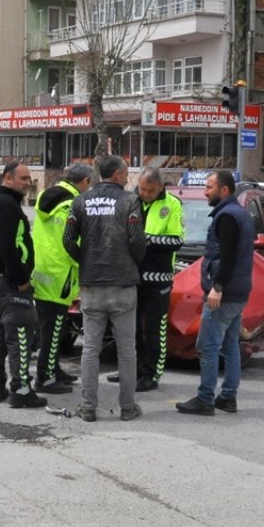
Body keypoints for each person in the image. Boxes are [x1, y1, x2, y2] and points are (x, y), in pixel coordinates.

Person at [62, 155, 145, 422]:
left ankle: (88, 408)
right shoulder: (130, 201)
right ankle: (128, 407)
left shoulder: (80, 200)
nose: (127, 178)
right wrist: (133, 261)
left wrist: (83, 260)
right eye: (126, 173)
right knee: (126, 350)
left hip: (91, 284)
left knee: (89, 350)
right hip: (122, 284)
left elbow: (68, 239)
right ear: (119, 174)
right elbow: (136, 238)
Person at [178, 170, 254, 416]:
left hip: (223, 293)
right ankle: (228, 397)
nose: (205, 191)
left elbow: (228, 257)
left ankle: (205, 398)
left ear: (224, 190)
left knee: (207, 346)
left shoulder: (227, 217)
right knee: (230, 344)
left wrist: (217, 288)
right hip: (238, 292)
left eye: (209, 187)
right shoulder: (239, 213)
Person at [0, 161, 45, 409]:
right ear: (7, 179)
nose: (28, 182)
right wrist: (21, 280)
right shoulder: (7, 206)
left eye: (29, 179)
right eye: (23, 178)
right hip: (8, 282)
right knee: (20, 335)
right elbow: (7, 247)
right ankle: (22, 390)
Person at [108, 168, 184, 392]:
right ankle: (131, 370)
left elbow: (176, 241)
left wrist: (144, 240)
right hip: (130, 276)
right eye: (142, 188)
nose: (146, 193)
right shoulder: (130, 200)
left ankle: (152, 373)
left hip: (158, 279)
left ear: (161, 187)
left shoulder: (172, 204)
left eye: (150, 190)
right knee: (129, 329)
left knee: (154, 329)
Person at [30, 162, 94, 394]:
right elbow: (73, 242)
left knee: (50, 326)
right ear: (85, 182)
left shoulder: (47, 195)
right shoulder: (73, 204)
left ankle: (53, 369)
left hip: (43, 270)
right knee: (54, 328)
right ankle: (45, 378)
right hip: (60, 274)